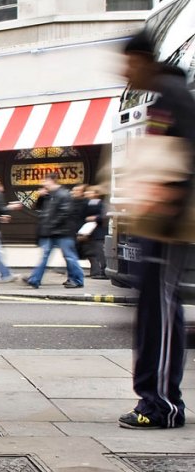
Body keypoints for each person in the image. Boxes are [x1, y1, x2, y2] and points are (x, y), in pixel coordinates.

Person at [117, 30, 192, 429]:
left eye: (128, 65)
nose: (125, 74)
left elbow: (184, 152)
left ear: (143, 59)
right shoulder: (164, 95)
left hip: (169, 223)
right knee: (153, 307)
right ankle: (153, 397)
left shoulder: (172, 93)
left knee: (161, 308)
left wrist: (170, 201)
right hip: (159, 220)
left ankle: (163, 404)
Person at [21, 173, 85, 289]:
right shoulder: (48, 195)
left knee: (69, 256)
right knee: (45, 256)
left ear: (52, 181)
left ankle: (78, 280)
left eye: (45, 181)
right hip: (51, 231)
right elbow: (38, 209)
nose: (43, 183)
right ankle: (34, 279)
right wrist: (40, 196)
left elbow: (64, 213)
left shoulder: (63, 194)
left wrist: (51, 225)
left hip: (64, 231)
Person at [80, 186, 108, 279]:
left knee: (100, 253)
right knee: (91, 253)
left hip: (99, 232)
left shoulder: (101, 204)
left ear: (96, 194)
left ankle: (104, 272)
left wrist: (95, 218)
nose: (87, 193)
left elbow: (104, 216)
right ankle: (94, 271)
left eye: (90, 192)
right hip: (89, 232)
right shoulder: (87, 203)